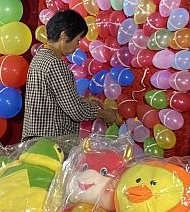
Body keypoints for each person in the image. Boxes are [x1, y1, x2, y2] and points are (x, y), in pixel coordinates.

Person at [22, 9, 118, 141]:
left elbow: (51, 103)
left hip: (36, 140)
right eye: (77, 40)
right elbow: (76, 111)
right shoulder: (55, 64)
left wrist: (81, 101)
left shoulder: (40, 57)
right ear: (64, 36)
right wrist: (104, 114)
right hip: (51, 142)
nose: (77, 46)